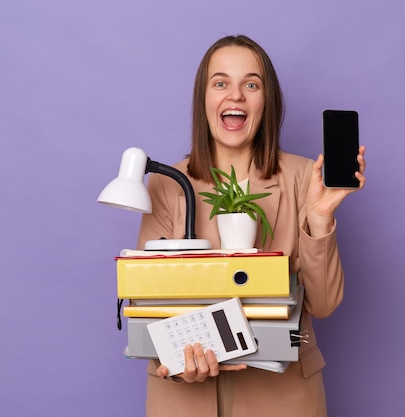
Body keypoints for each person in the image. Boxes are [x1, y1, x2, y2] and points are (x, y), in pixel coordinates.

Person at [137, 34, 366, 417]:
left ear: (266, 102)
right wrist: (181, 361)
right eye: (221, 83)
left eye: (251, 84)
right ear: (204, 100)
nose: (236, 96)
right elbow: (150, 305)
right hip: (185, 402)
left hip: (283, 397)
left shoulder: (301, 177)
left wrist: (320, 220)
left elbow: (323, 305)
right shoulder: (168, 184)